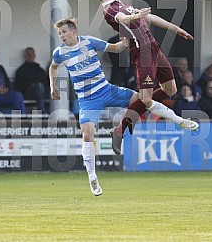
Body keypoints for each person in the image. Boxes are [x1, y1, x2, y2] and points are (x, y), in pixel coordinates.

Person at [49, 17, 199, 196]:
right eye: (59, 33)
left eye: (64, 32)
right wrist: (53, 85)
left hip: (106, 90)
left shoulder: (89, 42)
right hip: (88, 99)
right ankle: (92, 178)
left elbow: (115, 48)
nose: (62, 35)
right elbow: (53, 67)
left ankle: (180, 121)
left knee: (145, 100)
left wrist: (127, 37)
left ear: (74, 31)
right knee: (87, 134)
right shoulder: (59, 52)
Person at [89, 0, 198, 152]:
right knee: (146, 99)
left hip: (154, 47)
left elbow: (150, 18)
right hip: (142, 52)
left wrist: (175, 28)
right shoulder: (109, 9)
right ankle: (120, 131)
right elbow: (122, 18)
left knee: (170, 90)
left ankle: (129, 117)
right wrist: (136, 16)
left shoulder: (122, 3)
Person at [14, 47, 49, 113]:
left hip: (43, 92)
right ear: (25, 56)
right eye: (28, 54)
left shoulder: (39, 69)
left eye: (32, 54)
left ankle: (59, 113)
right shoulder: (21, 70)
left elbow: (46, 82)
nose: (30, 56)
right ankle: (42, 111)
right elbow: (18, 86)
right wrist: (32, 85)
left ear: (34, 55)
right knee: (39, 86)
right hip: (27, 93)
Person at [0, 47, 26, 114]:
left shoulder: (0, 67)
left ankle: (23, 118)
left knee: (18, 95)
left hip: (4, 93)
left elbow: (7, 81)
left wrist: (6, 89)